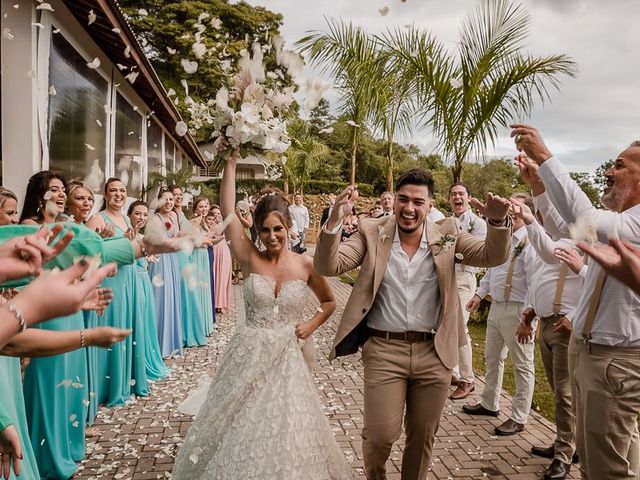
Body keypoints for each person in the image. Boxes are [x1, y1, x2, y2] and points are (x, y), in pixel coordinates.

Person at [314, 169, 512, 480]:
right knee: (380, 434)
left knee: (421, 438)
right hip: (384, 350)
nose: (409, 208)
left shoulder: (447, 233)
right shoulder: (371, 230)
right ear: (394, 201)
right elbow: (329, 265)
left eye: (418, 202)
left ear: (430, 204)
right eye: (403, 199)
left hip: (434, 353)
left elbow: (491, 255)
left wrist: (498, 223)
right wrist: (334, 222)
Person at [171, 150, 351, 479]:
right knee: (238, 419)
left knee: (285, 426)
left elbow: (329, 303)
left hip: (286, 359)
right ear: (257, 230)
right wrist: (231, 159)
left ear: (289, 227)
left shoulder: (306, 265)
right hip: (248, 354)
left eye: (278, 229)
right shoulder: (251, 259)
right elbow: (227, 211)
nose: (272, 237)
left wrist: (309, 326)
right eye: (265, 230)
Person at [511, 124, 640, 480]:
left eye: (620, 165)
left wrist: (545, 157)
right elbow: (563, 231)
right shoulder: (621, 222)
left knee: (604, 468)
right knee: (614, 448)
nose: (608, 172)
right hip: (591, 351)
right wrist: (539, 187)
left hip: (615, 359)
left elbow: (581, 218)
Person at [510, 197, 583, 479]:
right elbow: (538, 283)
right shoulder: (546, 245)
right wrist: (530, 312)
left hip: (565, 328)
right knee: (558, 391)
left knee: (565, 394)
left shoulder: (579, 241)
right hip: (546, 324)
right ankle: (565, 442)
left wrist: (574, 316)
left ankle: (564, 455)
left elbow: (595, 283)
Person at [463, 194, 538, 436]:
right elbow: (491, 272)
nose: (512, 211)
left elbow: (536, 283)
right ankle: (489, 403)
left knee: (522, 365)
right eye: (509, 206)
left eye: (517, 207)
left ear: (527, 212)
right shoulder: (502, 238)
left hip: (518, 310)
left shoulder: (530, 242)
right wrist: (478, 294)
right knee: (492, 358)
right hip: (496, 307)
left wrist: (528, 319)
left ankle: (519, 417)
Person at [448, 182, 487, 400]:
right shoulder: (448, 221)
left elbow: (477, 252)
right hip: (448, 277)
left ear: (469, 197)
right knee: (447, 325)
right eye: (453, 194)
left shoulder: (478, 223)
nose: (457, 197)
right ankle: (452, 373)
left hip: (465, 278)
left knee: (460, 328)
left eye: (461, 193)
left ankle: (468, 379)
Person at [128, 200, 171, 381]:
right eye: (138, 213)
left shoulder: (142, 235)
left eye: (145, 215)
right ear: (129, 214)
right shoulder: (129, 235)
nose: (142, 218)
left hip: (144, 281)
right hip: (133, 281)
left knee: (145, 323)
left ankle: (145, 359)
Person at [148, 189, 184, 357]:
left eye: (171, 199)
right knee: (161, 298)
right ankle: (158, 343)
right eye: (165, 199)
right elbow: (157, 241)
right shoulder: (155, 219)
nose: (169, 202)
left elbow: (176, 237)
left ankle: (170, 343)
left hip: (173, 260)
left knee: (172, 297)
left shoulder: (173, 217)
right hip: (161, 261)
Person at [170, 185, 207, 348]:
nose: (178, 197)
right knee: (185, 294)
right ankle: (185, 333)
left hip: (186, 255)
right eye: (174, 195)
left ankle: (190, 331)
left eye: (180, 194)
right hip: (178, 256)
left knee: (189, 295)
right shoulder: (171, 215)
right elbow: (177, 236)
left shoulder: (181, 214)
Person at [210, 205, 232, 313]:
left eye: (218, 213)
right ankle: (214, 302)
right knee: (214, 275)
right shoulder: (209, 224)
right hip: (214, 249)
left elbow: (229, 236)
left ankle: (221, 303)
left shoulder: (224, 224)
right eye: (214, 213)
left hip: (223, 250)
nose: (216, 215)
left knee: (223, 276)